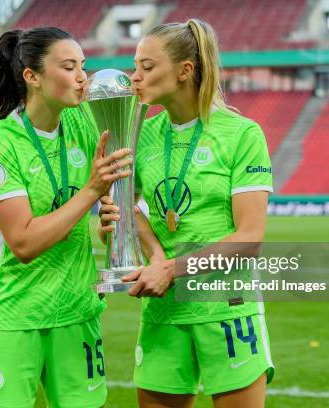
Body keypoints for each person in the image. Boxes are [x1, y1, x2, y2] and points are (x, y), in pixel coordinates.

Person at [99, 19, 274, 408]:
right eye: (134, 66)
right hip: (163, 310)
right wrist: (151, 252)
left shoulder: (241, 134)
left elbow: (249, 238)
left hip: (227, 309)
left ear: (185, 71)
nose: (134, 78)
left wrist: (170, 268)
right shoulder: (140, 132)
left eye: (147, 67)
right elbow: (125, 203)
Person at [0, 27, 132, 408]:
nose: (82, 77)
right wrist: (91, 192)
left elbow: (106, 208)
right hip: (16, 315)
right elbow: (23, 243)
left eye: (83, 66)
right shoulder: (1, 143)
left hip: (77, 311)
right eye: (69, 66)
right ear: (33, 77)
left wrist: (110, 226)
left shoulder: (84, 124)